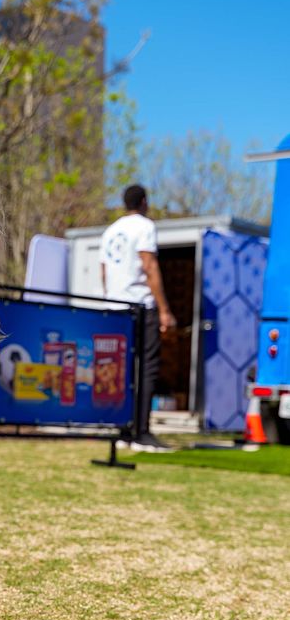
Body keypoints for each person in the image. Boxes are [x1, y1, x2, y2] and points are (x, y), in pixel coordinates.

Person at [100, 184, 176, 452]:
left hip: (116, 306)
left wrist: (110, 297)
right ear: (144, 202)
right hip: (140, 305)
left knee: (123, 369)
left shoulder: (110, 231)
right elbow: (149, 265)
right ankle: (141, 432)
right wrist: (164, 309)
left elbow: (104, 271)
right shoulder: (144, 226)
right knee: (146, 368)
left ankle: (123, 430)